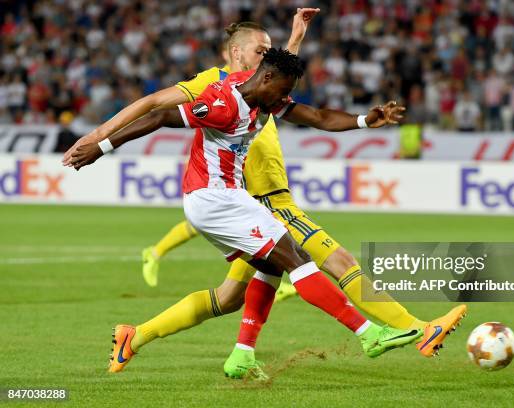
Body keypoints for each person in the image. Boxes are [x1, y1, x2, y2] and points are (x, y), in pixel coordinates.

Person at [65, 13, 466, 376]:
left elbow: (309, 107)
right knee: (324, 259)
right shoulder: (217, 91)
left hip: (238, 198)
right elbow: (156, 110)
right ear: (239, 53)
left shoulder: (263, 88)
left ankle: (163, 342)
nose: (267, 57)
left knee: (234, 293)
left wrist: (362, 117)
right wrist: (99, 142)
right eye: (260, 49)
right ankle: (400, 329)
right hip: (247, 198)